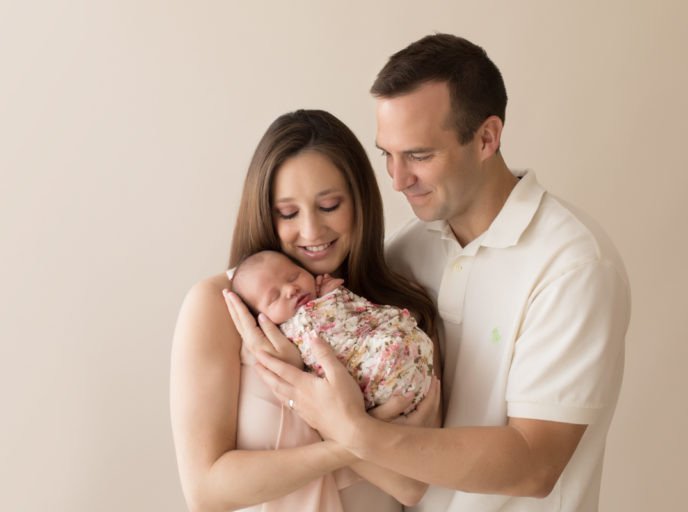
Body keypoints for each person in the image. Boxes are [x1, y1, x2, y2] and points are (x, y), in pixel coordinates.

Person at [250, 34, 631, 512]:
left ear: (487, 138)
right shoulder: (406, 251)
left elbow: (535, 464)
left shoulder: (572, 265)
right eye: (386, 154)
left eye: (419, 155)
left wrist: (354, 432)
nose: (396, 180)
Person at [170, 109, 441, 512]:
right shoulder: (218, 308)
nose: (312, 232)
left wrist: (313, 387)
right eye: (289, 214)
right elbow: (207, 491)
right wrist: (342, 429)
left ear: (360, 202)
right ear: (266, 213)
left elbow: (411, 485)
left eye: (329, 205)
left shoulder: (398, 309)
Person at [229, 249, 434, 412]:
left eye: (294, 276)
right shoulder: (286, 332)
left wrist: (334, 296)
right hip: (381, 375)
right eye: (274, 297)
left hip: (411, 354)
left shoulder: (328, 291)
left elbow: (362, 318)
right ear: (261, 318)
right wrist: (328, 303)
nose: (291, 290)